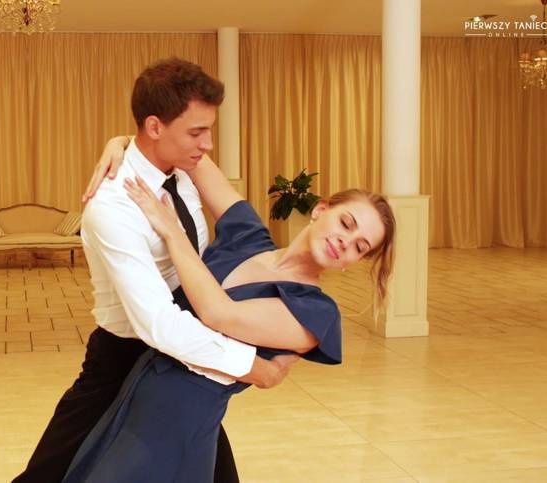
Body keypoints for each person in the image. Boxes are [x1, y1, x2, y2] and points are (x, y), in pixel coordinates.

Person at [13, 58, 297, 483]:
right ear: (155, 126)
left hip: (183, 357)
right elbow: (158, 324)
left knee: (211, 467)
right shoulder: (113, 206)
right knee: (51, 474)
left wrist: (121, 140)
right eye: (197, 132)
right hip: (125, 358)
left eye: (209, 130)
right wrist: (256, 368)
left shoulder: (184, 165)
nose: (208, 144)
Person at [62, 144, 396, 482]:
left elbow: (218, 314)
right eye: (346, 224)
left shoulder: (316, 313)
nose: (346, 241)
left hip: (180, 423)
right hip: (136, 394)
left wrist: (171, 231)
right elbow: (188, 146)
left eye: (360, 246)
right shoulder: (248, 235)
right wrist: (124, 142)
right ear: (320, 209)